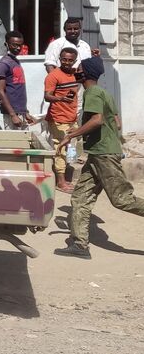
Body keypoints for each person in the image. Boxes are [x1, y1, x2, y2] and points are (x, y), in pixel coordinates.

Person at [55, 57, 144, 259]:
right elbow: (117, 122)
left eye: (79, 68)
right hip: (98, 153)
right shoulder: (104, 93)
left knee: (122, 200)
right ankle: (80, 245)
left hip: (103, 154)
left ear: (85, 73)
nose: (76, 70)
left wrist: (71, 134)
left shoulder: (92, 93)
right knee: (80, 197)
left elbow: (97, 120)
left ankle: (79, 243)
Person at [44, 47, 80, 192]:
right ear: (59, 58)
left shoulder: (75, 74)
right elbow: (47, 96)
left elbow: (95, 71)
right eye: (64, 59)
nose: (66, 62)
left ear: (75, 61)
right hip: (59, 119)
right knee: (61, 149)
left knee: (70, 149)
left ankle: (66, 177)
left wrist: (96, 57)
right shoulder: (53, 76)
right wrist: (60, 98)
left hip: (72, 118)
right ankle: (61, 182)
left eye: (70, 60)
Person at [0, 31, 35, 130]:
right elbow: (0, 91)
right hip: (11, 113)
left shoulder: (15, 61)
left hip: (20, 112)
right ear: (6, 44)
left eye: (20, 45)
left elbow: (18, 89)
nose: (17, 48)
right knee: (13, 143)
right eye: (14, 45)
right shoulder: (3, 64)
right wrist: (13, 115)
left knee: (24, 143)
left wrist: (25, 112)